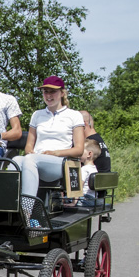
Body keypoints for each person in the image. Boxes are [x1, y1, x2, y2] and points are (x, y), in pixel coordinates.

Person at [21, 76, 86, 208]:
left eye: (53, 91)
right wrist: (31, 152)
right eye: (46, 92)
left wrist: (55, 153)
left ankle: (26, 211)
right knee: (15, 161)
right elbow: (29, 146)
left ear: (62, 93)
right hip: (36, 159)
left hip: (60, 162)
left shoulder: (74, 115)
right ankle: (8, 210)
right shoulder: (37, 115)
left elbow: (79, 150)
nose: (48, 95)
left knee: (29, 160)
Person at [66, 140, 101, 207]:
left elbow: (78, 188)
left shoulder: (84, 169)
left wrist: (73, 203)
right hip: (93, 199)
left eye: (82, 150)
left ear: (89, 154)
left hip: (85, 199)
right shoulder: (94, 169)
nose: (79, 153)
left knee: (62, 199)